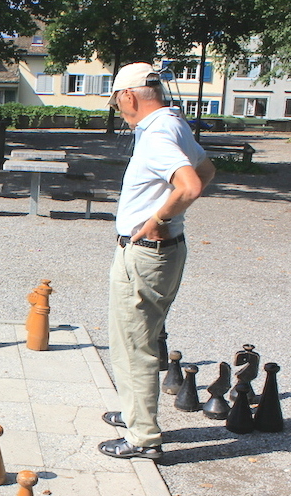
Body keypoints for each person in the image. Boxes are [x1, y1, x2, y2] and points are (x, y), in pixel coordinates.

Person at [98, 63, 214, 460]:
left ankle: (142, 438)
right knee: (141, 340)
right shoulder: (173, 123)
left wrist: (158, 219)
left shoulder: (157, 134)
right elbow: (207, 168)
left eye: (117, 101)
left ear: (128, 95)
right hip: (165, 252)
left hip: (146, 255)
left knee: (133, 347)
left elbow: (192, 183)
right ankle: (136, 414)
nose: (119, 108)